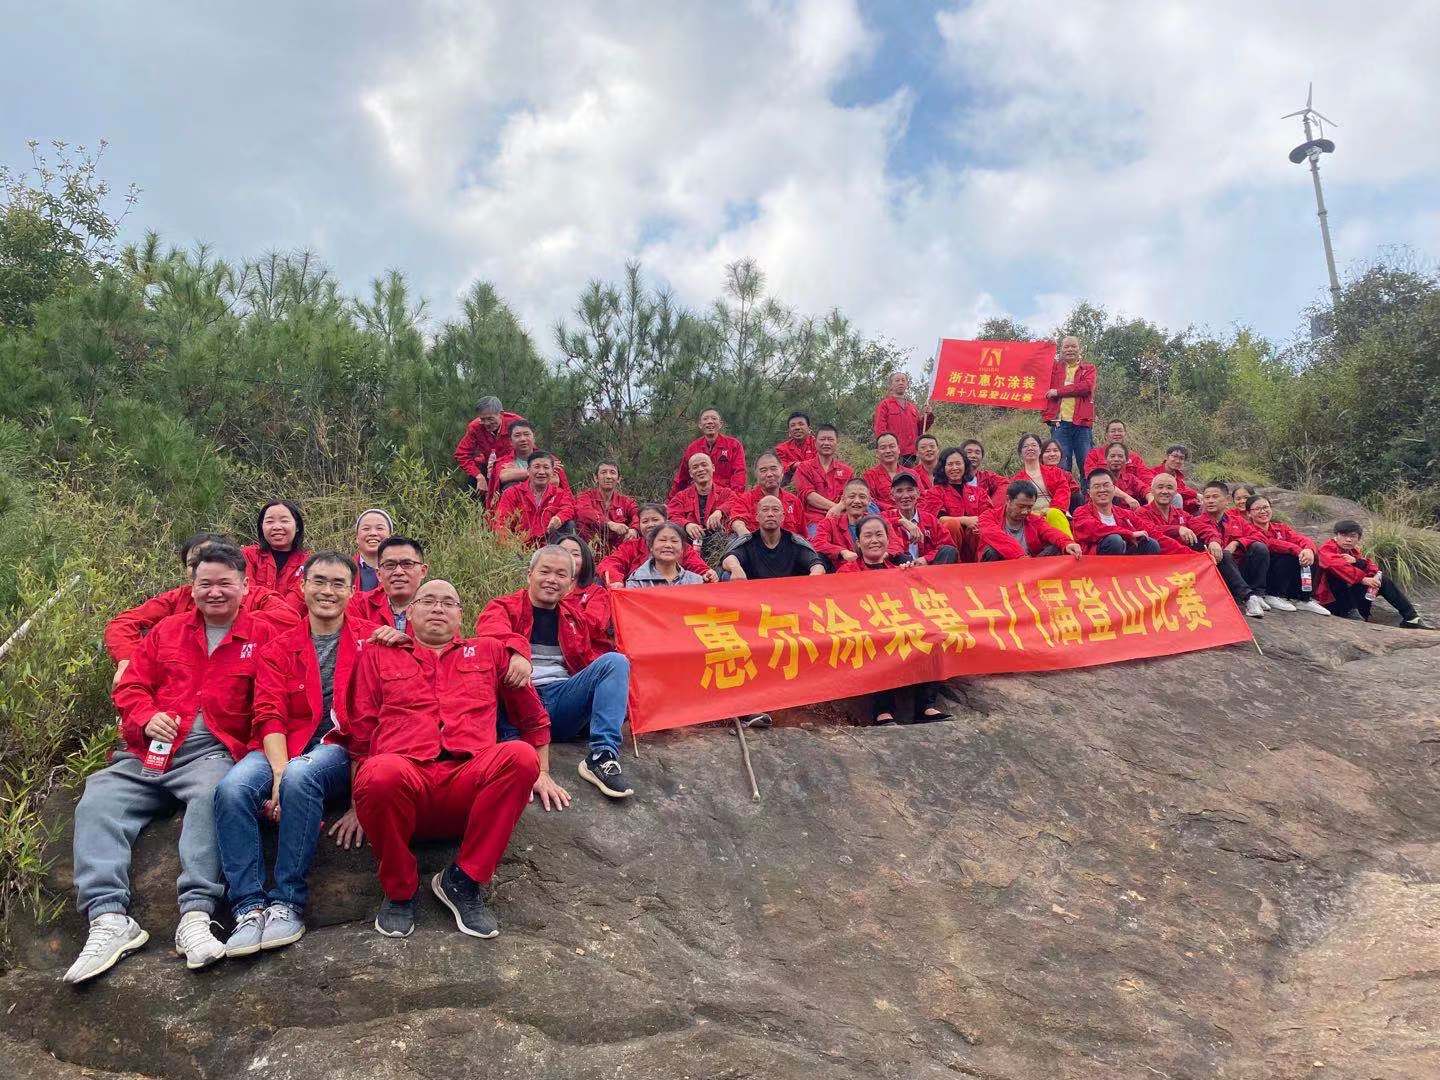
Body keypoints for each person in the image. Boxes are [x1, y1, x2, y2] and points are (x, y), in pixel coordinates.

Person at [65, 546, 278, 984]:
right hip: (150, 751)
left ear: (244, 586)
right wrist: (145, 716)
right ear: (192, 587)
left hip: (211, 753)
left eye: (225, 583)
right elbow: (131, 686)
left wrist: (264, 768)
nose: (215, 592)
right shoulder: (168, 631)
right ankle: (109, 918)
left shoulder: (265, 636)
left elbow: (274, 705)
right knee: (98, 798)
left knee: (214, 796)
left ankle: (195, 916)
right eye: (205, 583)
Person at [337, 579, 546, 939]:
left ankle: (463, 881)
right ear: (409, 612)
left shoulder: (489, 653)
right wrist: (358, 805)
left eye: (448, 603)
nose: (438, 608)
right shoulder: (378, 653)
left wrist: (544, 771)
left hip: (468, 785)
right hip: (405, 786)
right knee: (379, 770)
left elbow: (532, 718)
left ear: (461, 616)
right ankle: (400, 891)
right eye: (428, 601)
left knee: (520, 756)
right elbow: (361, 732)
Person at [213, 552, 386, 958]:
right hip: (285, 746)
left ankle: (287, 901)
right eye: (319, 581)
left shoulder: (372, 641)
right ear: (303, 586)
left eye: (338, 583)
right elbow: (269, 714)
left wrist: (361, 800)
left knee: (301, 776)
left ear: (352, 590)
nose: (328, 591)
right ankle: (248, 906)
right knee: (232, 789)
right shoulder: (279, 647)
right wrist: (278, 773)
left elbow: (379, 717)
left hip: (338, 748)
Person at [476, 545, 636, 800]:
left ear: (571, 584)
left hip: (561, 702)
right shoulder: (503, 607)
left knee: (615, 662)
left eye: (561, 575)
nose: (552, 579)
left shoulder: (573, 617)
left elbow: (585, 663)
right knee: (502, 665)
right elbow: (489, 634)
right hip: (518, 703)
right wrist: (519, 652)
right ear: (530, 574)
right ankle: (514, 747)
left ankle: (601, 756)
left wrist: (613, 699)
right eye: (545, 572)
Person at [104, 532, 301, 680]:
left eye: (214, 559)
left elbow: (289, 618)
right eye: (194, 564)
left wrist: (233, 624)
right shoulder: (178, 598)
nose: (204, 567)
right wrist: (127, 661)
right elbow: (123, 623)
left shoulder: (257, 596)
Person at [1140, 474, 1267, 618]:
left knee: (1229, 551)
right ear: (1152, 490)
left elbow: (1203, 528)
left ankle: (1251, 597)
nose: (1164, 491)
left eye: (1169, 488)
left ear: (1175, 492)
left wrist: (1214, 540)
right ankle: (1248, 595)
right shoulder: (1142, 513)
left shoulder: (1183, 515)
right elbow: (1151, 531)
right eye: (1160, 487)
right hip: (1161, 569)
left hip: (1187, 567)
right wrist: (1177, 529)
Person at [1317, 520, 1435, 628]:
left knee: (1381, 579)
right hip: (1332, 602)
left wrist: (1357, 562)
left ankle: (1411, 617)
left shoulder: (1353, 551)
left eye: (1352, 536)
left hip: (1354, 601)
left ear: (1358, 538)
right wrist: (1363, 579)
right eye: (1344, 535)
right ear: (1336, 536)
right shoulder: (1327, 549)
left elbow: (1373, 568)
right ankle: (1349, 612)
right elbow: (1336, 566)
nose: (1348, 539)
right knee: (1335, 574)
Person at [1243, 494, 1331, 615]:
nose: (1263, 511)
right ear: (1248, 513)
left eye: (1265, 507)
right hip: (1262, 573)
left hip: (1285, 570)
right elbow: (1270, 543)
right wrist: (1298, 550)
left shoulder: (1280, 527)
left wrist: (1309, 549)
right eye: (1257, 509)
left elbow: (1300, 538)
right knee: (1286, 557)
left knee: (1310, 556)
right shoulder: (1248, 528)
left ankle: (1302, 598)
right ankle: (1272, 595)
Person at [596, 503, 716, 585]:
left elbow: (697, 565)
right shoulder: (630, 547)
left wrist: (706, 573)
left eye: (655, 520)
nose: (650, 525)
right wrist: (616, 580)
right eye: (645, 521)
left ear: (666, 521)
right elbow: (609, 564)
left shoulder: (679, 546)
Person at [721, 495, 828, 580]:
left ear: (783, 517)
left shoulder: (794, 542)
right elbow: (729, 559)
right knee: (727, 575)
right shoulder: (749, 542)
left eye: (775, 510)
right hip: (755, 595)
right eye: (765, 510)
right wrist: (735, 568)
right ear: (757, 517)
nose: (770, 514)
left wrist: (814, 576)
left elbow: (817, 565)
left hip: (790, 595)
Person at [1199, 481, 1271, 604]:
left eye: (1215, 497)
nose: (1210, 501)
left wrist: (1237, 542)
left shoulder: (1237, 521)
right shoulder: (1196, 521)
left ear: (1227, 500)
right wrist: (1214, 542)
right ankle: (1248, 597)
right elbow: (1208, 532)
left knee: (1259, 547)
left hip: (1238, 569)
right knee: (1224, 554)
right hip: (1215, 572)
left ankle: (1258, 594)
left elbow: (1260, 536)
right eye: (1207, 497)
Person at [976, 482, 1082, 561]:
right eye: (1021, 506)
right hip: (1003, 567)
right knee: (992, 551)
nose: (1025, 511)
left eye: (1029, 507)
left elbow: (1050, 531)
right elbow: (997, 537)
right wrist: (1020, 556)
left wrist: (1067, 543)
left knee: (1058, 547)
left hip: (1030, 565)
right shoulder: (988, 517)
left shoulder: (1034, 519)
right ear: (1008, 500)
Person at [814, 480, 906, 568]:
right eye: (852, 497)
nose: (857, 501)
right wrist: (842, 552)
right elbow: (819, 543)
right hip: (843, 572)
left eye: (862, 497)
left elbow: (896, 544)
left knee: (903, 559)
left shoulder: (879, 522)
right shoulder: (830, 523)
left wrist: (885, 554)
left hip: (877, 569)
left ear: (869, 501)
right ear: (843, 500)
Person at [491, 451, 575, 547]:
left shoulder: (560, 493)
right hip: (518, 546)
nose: (541, 472)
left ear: (552, 472)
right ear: (528, 470)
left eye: (546, 467)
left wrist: (559, 518)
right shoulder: (512, 493)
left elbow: (569, 508)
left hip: (549, 547)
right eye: (537, 467)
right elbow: (501, 522)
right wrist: (508, 546)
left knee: (569, 524)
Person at [1070, 470, 1163, 556]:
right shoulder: (1081, 512)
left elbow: (1151, 531)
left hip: (1126, 560)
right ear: (1089, 492)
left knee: (1151, 543)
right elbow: (1095, 530)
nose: (1102, 490)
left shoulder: (1125, 514)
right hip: (1094, 562)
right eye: (1097, 487)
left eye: (1106, 485)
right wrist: (1130, 533)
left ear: (1114, 489)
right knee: (1115, 540)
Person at [1042, 335, 1096, 473]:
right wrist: (1046, 346)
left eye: (1073, 346)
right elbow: (1039, 363)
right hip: (1059, 423)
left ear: (1080, 349)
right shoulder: (1054, 368)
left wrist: (1058, 391)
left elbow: (1086, 387)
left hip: (1082, 424)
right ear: (1061, 350)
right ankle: (1065, 488)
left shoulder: (1088, 368)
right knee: (1062, 465)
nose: (1070, 349)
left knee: (1086, 464)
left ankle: (1088, 488)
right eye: (1066, 347)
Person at [348, 536, 428, 630]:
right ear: (378, 574)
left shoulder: (438, 607)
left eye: (407, 564)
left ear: (423, 571)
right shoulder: (359, 605)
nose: (398, 572)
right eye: (390, 565)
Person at [921, 447, 987, 559]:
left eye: (958, 463)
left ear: (965, 466)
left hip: (975, 544)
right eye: (950, 464)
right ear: (943, 468)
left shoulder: (979, 492)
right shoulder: (935, 492)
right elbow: (934, 520)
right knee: (952, 524)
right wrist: (964, 520)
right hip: (948, 544)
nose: (955, 468)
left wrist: (977, 524)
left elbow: (988, 515)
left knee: (982, 528)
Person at [488, 422, 572, 509]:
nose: (523, 439)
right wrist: (540, 474)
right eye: (517, 435)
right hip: (514, 509)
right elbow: (503, 476)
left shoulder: (549, 459)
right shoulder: (503, 461)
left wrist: (516, 474)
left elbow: (554, 481)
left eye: (526, 434)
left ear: (534, 437)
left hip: (547, 508)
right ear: (510, 441)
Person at [453, 397, 525, 497]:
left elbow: (530, 449)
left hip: (510, 469)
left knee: (511, 491)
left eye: (490, 419)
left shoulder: (517, 424)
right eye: (482, 419)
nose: (486, 423)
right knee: (473, 486)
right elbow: (461, 454)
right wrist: (478, 476)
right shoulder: (475, 427)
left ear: (501, 413)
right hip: (487, 467)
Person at [1004, 433, 1074, 535]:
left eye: (1034, 445)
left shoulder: (1055, 472)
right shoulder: (1015, 480)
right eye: (1026, 446)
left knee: (1054, 514)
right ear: (1020, 452)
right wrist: (1031, 513)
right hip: (1029, 515)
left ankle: (1068, 544)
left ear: (1040, 450)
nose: (1030, 448)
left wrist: (1052, 509)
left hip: (1053, 512)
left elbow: (1063, 491)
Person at [669, 408, 747, 498]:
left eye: (714, 418)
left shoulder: (733, 445)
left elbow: (739, 473)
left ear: (720, 424)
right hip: (698, 495)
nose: (710, 422)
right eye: (705, 419)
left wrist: (735, 498)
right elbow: (682, 477)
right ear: (700, 425)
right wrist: (671, 500)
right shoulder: (693, 448)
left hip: (724, 496)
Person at [793, 424, 855, 535]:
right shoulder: (804, 468)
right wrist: (836, 508)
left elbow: (851, 496)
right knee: (817, 542)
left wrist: (839, 509)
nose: (826, 443)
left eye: (830, 439)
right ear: (815, 442)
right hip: (814, 521)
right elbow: (809, 496)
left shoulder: (847, 471)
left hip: (843, 519)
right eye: (822, 439)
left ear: (836, 443)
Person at [243, 500, 310, 601]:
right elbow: (246, 595)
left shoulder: (308, 563)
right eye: (270, 521)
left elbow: (297, 601)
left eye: (284, 521)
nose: (277, 527)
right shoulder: (247, 555)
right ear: (262, 526)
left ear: (297, 526)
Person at [885, 473, 958, 565]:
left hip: (928, 568)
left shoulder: (930, 519)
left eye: (910, 490)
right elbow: (873, 524)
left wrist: (926, 559)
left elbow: (948, 545)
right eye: (899, 491)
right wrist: (901, 521)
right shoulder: (886, 516)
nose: (905, 495)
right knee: (898, 556)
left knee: (949, 550)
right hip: (898, 568)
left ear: (918, 493)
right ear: (892, 496)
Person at [731, 451, 807, 537]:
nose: (769, 474)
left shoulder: (794, 501)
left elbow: (803, 536)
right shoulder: (745, 500)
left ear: (782, 472)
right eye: (763, 470)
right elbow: (737, 522)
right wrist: (747, 537)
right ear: (756, 475)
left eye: (773, 469)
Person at [667, 452, 735, 544]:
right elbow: (671, 515)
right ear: (690, 473)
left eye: (704, 465)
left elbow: (736, 502)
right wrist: (687, 524)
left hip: (720, 543)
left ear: (713, 468)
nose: (700, 469)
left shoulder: (726, 493)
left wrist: (720, 511)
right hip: (689, 544)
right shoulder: (681, 497)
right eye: (695, 467)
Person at [573, 461, 638, 556]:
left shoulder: (626, 502)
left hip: (619, 554)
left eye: (612, 472)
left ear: (619, 479)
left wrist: (634, 529)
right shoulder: (585, 497)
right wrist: (609, 524)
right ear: (595, 478)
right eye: (603, 472)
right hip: (588, 552)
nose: (608, 476)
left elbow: (639, 515)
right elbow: (583, 512)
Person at [872, 372, 933, 464]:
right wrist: (885, 449)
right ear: (891, 385)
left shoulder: (912, 407)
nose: (901, 382)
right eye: (897, 380)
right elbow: (880, 429)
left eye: (903, 380)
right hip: (893, 454)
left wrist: (928, 416)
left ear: (907, 384)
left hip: (911, 454)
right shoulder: (885, 405)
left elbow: (920, 429)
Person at [624, 522, 707, 588]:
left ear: (682, 549)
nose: (668, 545)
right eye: (662, 540)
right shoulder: (637, 581)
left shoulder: (695, 581)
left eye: (674, 541)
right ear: (651, 546)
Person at [862, 433, 918, 512]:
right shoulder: (870, 475)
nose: (888, 451)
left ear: (898, 449)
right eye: (883, 448)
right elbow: (870, 500)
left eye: (892, 446)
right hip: (883, 516)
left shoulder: (912, 473)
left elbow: (922, 497)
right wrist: (891, 509)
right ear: (877, 453)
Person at [1082, 420, 1150, 478]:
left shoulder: (1135, 457)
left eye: (1120, 431)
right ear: (1106, 435)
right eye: (1113, 431)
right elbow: (1091, 477)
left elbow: (1145, 476)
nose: (1117, 434)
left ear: (1125, 434)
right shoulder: (1094, 454)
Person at [1151, 445, 1200, 513]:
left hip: (1174, 507)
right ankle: (1176, 519)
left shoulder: (1178, 476)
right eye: (1174, 456)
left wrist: (1196, 498)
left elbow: (1183, 488)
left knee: (1200, 503)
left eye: (1181, 458)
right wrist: (1195, 494)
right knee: (1177, 497)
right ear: (1167, 457)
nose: (1177, 461)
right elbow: (1176, 490)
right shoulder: (1154, 473)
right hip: (1157, 506)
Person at [354, 508, 394, 592]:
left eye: (379, 528)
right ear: (357, 537)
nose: (373, 533)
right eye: (366, 529)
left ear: (390, 537)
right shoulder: (345, 569)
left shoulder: (401, 570)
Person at [1102, 442, 1152, 509]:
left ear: (1126, 460)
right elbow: (1108, 486)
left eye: (1120, 456)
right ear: (1106, 459)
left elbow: (1145, 489)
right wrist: (1126, 497)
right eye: (1112, 456)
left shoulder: (1130, 478)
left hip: (1130, 514)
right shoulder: (1099, 477)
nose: (1116, 459)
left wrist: (1151, 500)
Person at [773, 411, 817, 482]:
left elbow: (821, 462)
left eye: (801, 424)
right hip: (791, 483)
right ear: (789, 431)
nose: (797, 428)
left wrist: (800, 465)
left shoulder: (818, 444)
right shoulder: (781, 449)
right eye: (793, 425)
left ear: (809, 429)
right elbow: (779, 467)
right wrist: (793, 465)